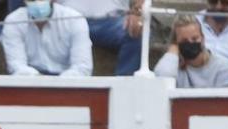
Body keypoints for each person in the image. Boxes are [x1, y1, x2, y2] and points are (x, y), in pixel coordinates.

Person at [9, 0, 142, 74]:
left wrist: (137, 12)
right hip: (64, 19)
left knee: (136, 32)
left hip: (109, 21)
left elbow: (140, 6)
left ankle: (121, 91)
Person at [2, 0, 93, 76]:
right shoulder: (13, 21)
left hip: (67, 84)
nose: (37, 2)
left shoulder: (74, 19)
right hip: (30, 84)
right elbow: (16, 66)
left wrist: (60, 83)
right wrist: (39, 81)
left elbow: (82, 67)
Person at [155, 13, 228, 86]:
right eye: (184, 41)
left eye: (194, 39)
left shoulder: (222, 68)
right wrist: (172, 51)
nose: (190, 43)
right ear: (177, 43)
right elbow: (162, 78)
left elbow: (223, 102)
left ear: (203, 38)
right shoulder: (173, 67)